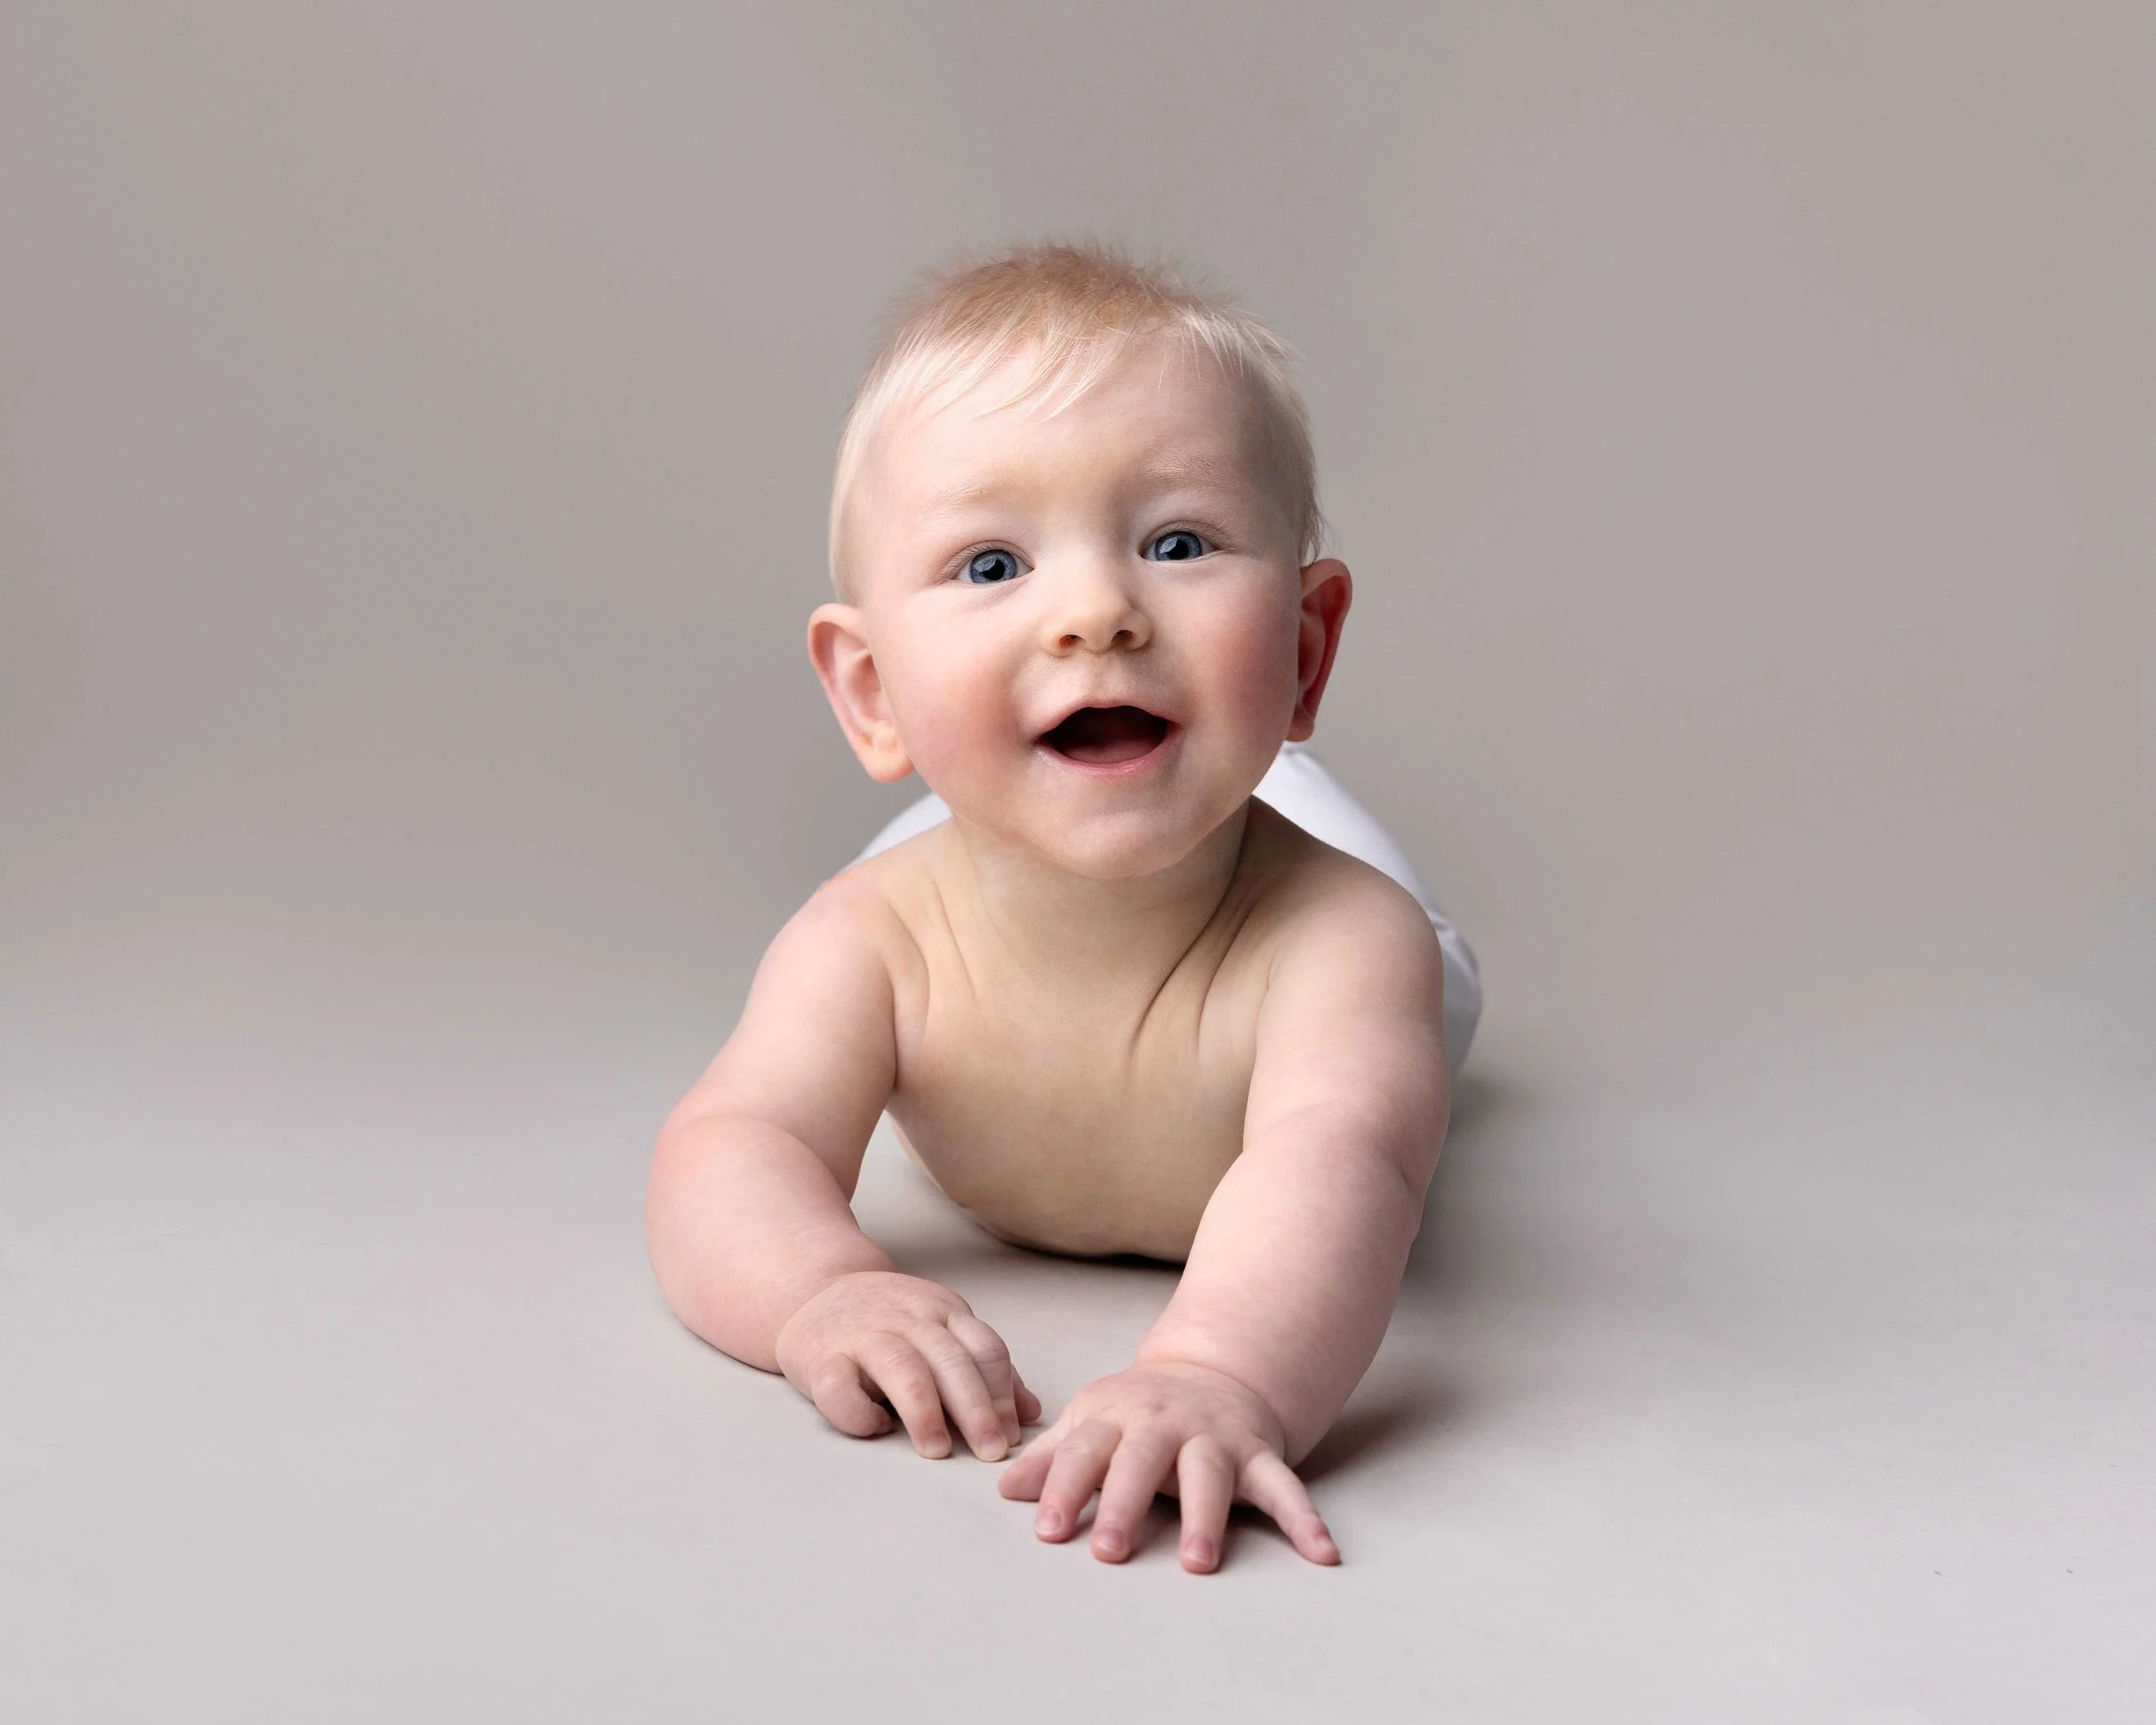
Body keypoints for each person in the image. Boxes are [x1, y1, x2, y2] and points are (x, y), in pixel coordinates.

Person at [647, 241, 1482, 1574]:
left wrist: (1219, 1374)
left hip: (1279, 862)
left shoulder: (1344, 941)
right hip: (976, 832)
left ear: (1308, 651)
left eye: (1178, 542)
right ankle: (1004, 771)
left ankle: (1116, 753)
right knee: (977, 813)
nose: (1097, 611)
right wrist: (820, 1291)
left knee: (1405, 1021)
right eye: (992, 566)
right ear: (869, 692)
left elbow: (1340, 1169)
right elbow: (729, 1144)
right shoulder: (871, 937)